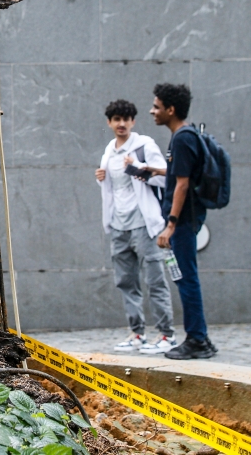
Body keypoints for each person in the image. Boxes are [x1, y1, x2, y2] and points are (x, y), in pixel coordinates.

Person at [95, 99, 178, 355]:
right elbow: (114, 188)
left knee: (155, 280)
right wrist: (102, 178)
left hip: (144, 224)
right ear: (109, 122)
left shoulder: (144, 146)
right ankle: (137, 334)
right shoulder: (109, 150)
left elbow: (167, 178)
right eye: (117, 119)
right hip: (118, 225)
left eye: (126, 119)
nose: (121, 124)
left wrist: (138, 167)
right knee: (126, 281)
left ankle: (166, 335)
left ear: (133, 121)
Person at [148, 83, 218, 359]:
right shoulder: (185, 137)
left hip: (183, 221)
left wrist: (171, 224)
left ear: (171, 109)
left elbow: (182, 184)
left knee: (187, 279)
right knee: (187, 278)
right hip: (187, 218)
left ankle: (197, 340)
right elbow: (177, 174)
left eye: (157, 106)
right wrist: (152, 169)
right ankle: (201, 337)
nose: (153, 111)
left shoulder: (182, 138)